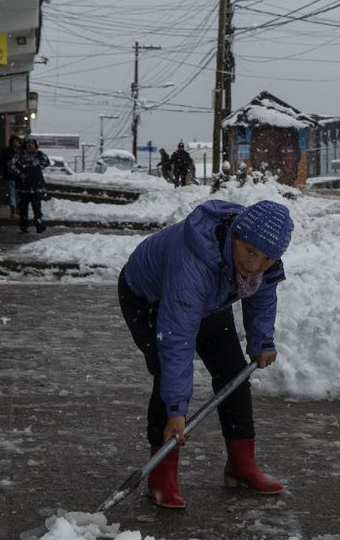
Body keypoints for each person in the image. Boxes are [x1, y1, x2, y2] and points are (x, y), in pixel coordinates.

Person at [118, 199, 293, 508]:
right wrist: (176, 410)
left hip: (209, 298)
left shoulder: (261, 259)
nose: (254, 265)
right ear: (236, 235)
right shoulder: (192, 263)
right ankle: (162, 473)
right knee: (166, 374)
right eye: (249, 252)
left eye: (266, 259)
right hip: (149, 296)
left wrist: (261, 340)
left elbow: (262, 292)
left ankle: (241, 466)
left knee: (233, 373)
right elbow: (177, 340)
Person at [9, 136, 47, 233]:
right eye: (28, 143)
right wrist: (19, 173)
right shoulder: (20, 154)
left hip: (36, 185)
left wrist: (38, 155)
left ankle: (39, 224)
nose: (30, 145)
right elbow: (10, 165)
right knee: (23, 207)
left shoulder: (39, 154)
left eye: (32, 143)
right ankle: (24, 224)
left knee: (37, 207)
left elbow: (46, 163)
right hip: (24, 186)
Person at [0, 134, 22, 217]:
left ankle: (17, 207)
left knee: (17, 193)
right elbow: (0, 163)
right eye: (14, 141)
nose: (15, 143)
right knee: (12, 193)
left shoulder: (20, 152)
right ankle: (14, 208)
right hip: (10, 176)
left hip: (19, 176)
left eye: (17, 141)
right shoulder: (7, 151)